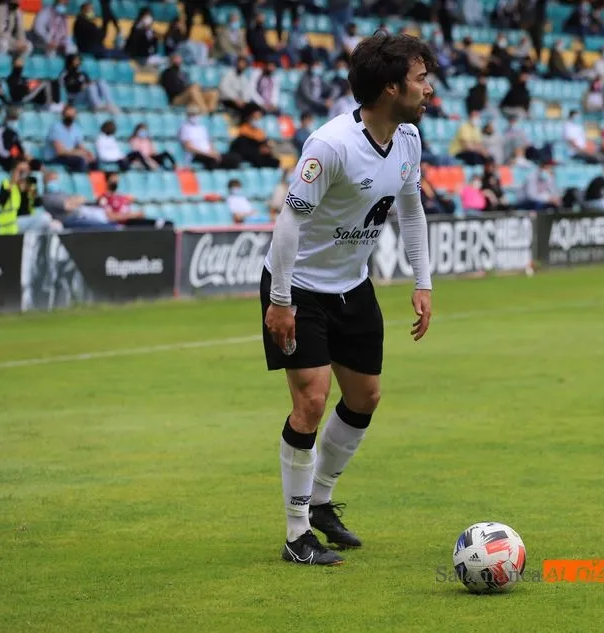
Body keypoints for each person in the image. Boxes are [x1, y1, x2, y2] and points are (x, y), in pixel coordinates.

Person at [261, 32, 435, 567]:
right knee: (311, 402)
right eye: (420, 79)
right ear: (390, 88)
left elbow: (411, 210)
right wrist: (282, 300)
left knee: (364, 398)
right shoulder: (331, 145)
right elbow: (289, 223)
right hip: (299, 287)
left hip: (352, 286)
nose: (428, 88)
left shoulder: (408, 139)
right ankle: (296, 535)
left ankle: (320, 501)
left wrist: (423, 281)